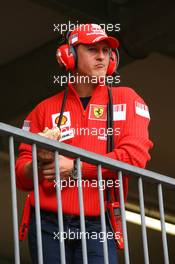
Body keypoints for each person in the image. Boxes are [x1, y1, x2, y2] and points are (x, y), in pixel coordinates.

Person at [15, 23, 153, 264]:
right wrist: (40, 160)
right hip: (46, 223)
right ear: (68, 56)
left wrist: (75, 168)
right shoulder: (43, 109)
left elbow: (134, 158)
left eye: (106, 50)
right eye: (92, 49)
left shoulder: (128, 99)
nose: (102, 56)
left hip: (98, 222)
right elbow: (21, 177)